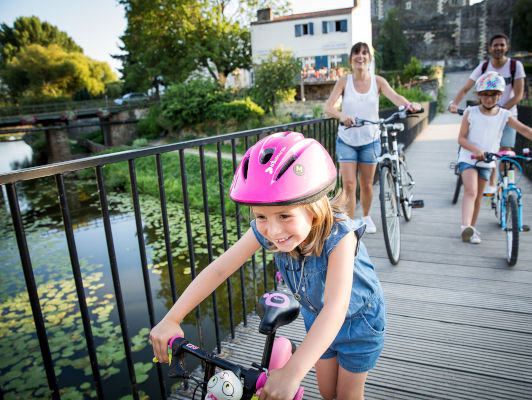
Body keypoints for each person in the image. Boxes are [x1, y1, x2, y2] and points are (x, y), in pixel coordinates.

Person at [149, 132, 386, 400]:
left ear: (314, 209)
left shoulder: (341, 237)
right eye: (261, 216)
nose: (273, 231)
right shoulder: (271, 230)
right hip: (316, 317)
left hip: (359, 323)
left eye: (285, 215)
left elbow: (336, 307)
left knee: (347, 395)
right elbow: (219, 269)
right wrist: (172, 318)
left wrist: (293, 371)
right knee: (327, 391)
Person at [324, 42, 422, 234]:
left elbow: (396, 98)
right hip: (347, 140)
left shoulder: (378, 81)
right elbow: (328, 107)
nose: (360, 57)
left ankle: (366, 216)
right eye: (356, 54)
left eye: (364, 53)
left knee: (367, 184)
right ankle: (351, 226)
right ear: (351, 59)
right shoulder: (344, 82)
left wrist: (410, 105)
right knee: (349, 185)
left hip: (370, 139)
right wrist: (342, 116)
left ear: (369, 58)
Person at [457, 72, 532, 244]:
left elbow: (524, 129)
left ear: (500, 95)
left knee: (479, 196)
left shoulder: (504, 115)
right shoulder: (470, 112)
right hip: (469, 157)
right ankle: (465, 227)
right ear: (479, 95)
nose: (489, 98)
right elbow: (461, 138)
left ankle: (471, 229)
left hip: (488, 161)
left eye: (494, 94)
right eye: (485, 94)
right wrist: (476, 149)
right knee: (470, 191)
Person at [449, 33, 526, 195]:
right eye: (495, 45)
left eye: (502, 45)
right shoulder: (484, 67)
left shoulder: (515, 66)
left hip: (508, 114)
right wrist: (454, 103)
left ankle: (503, 185)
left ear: (507, 47)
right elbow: (466, 87)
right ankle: (491, 181)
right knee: (487, 149)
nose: (498, 48)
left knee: (505, 150)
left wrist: (499, 112)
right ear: (490, 48)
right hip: (486, 114)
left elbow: (518, 95)